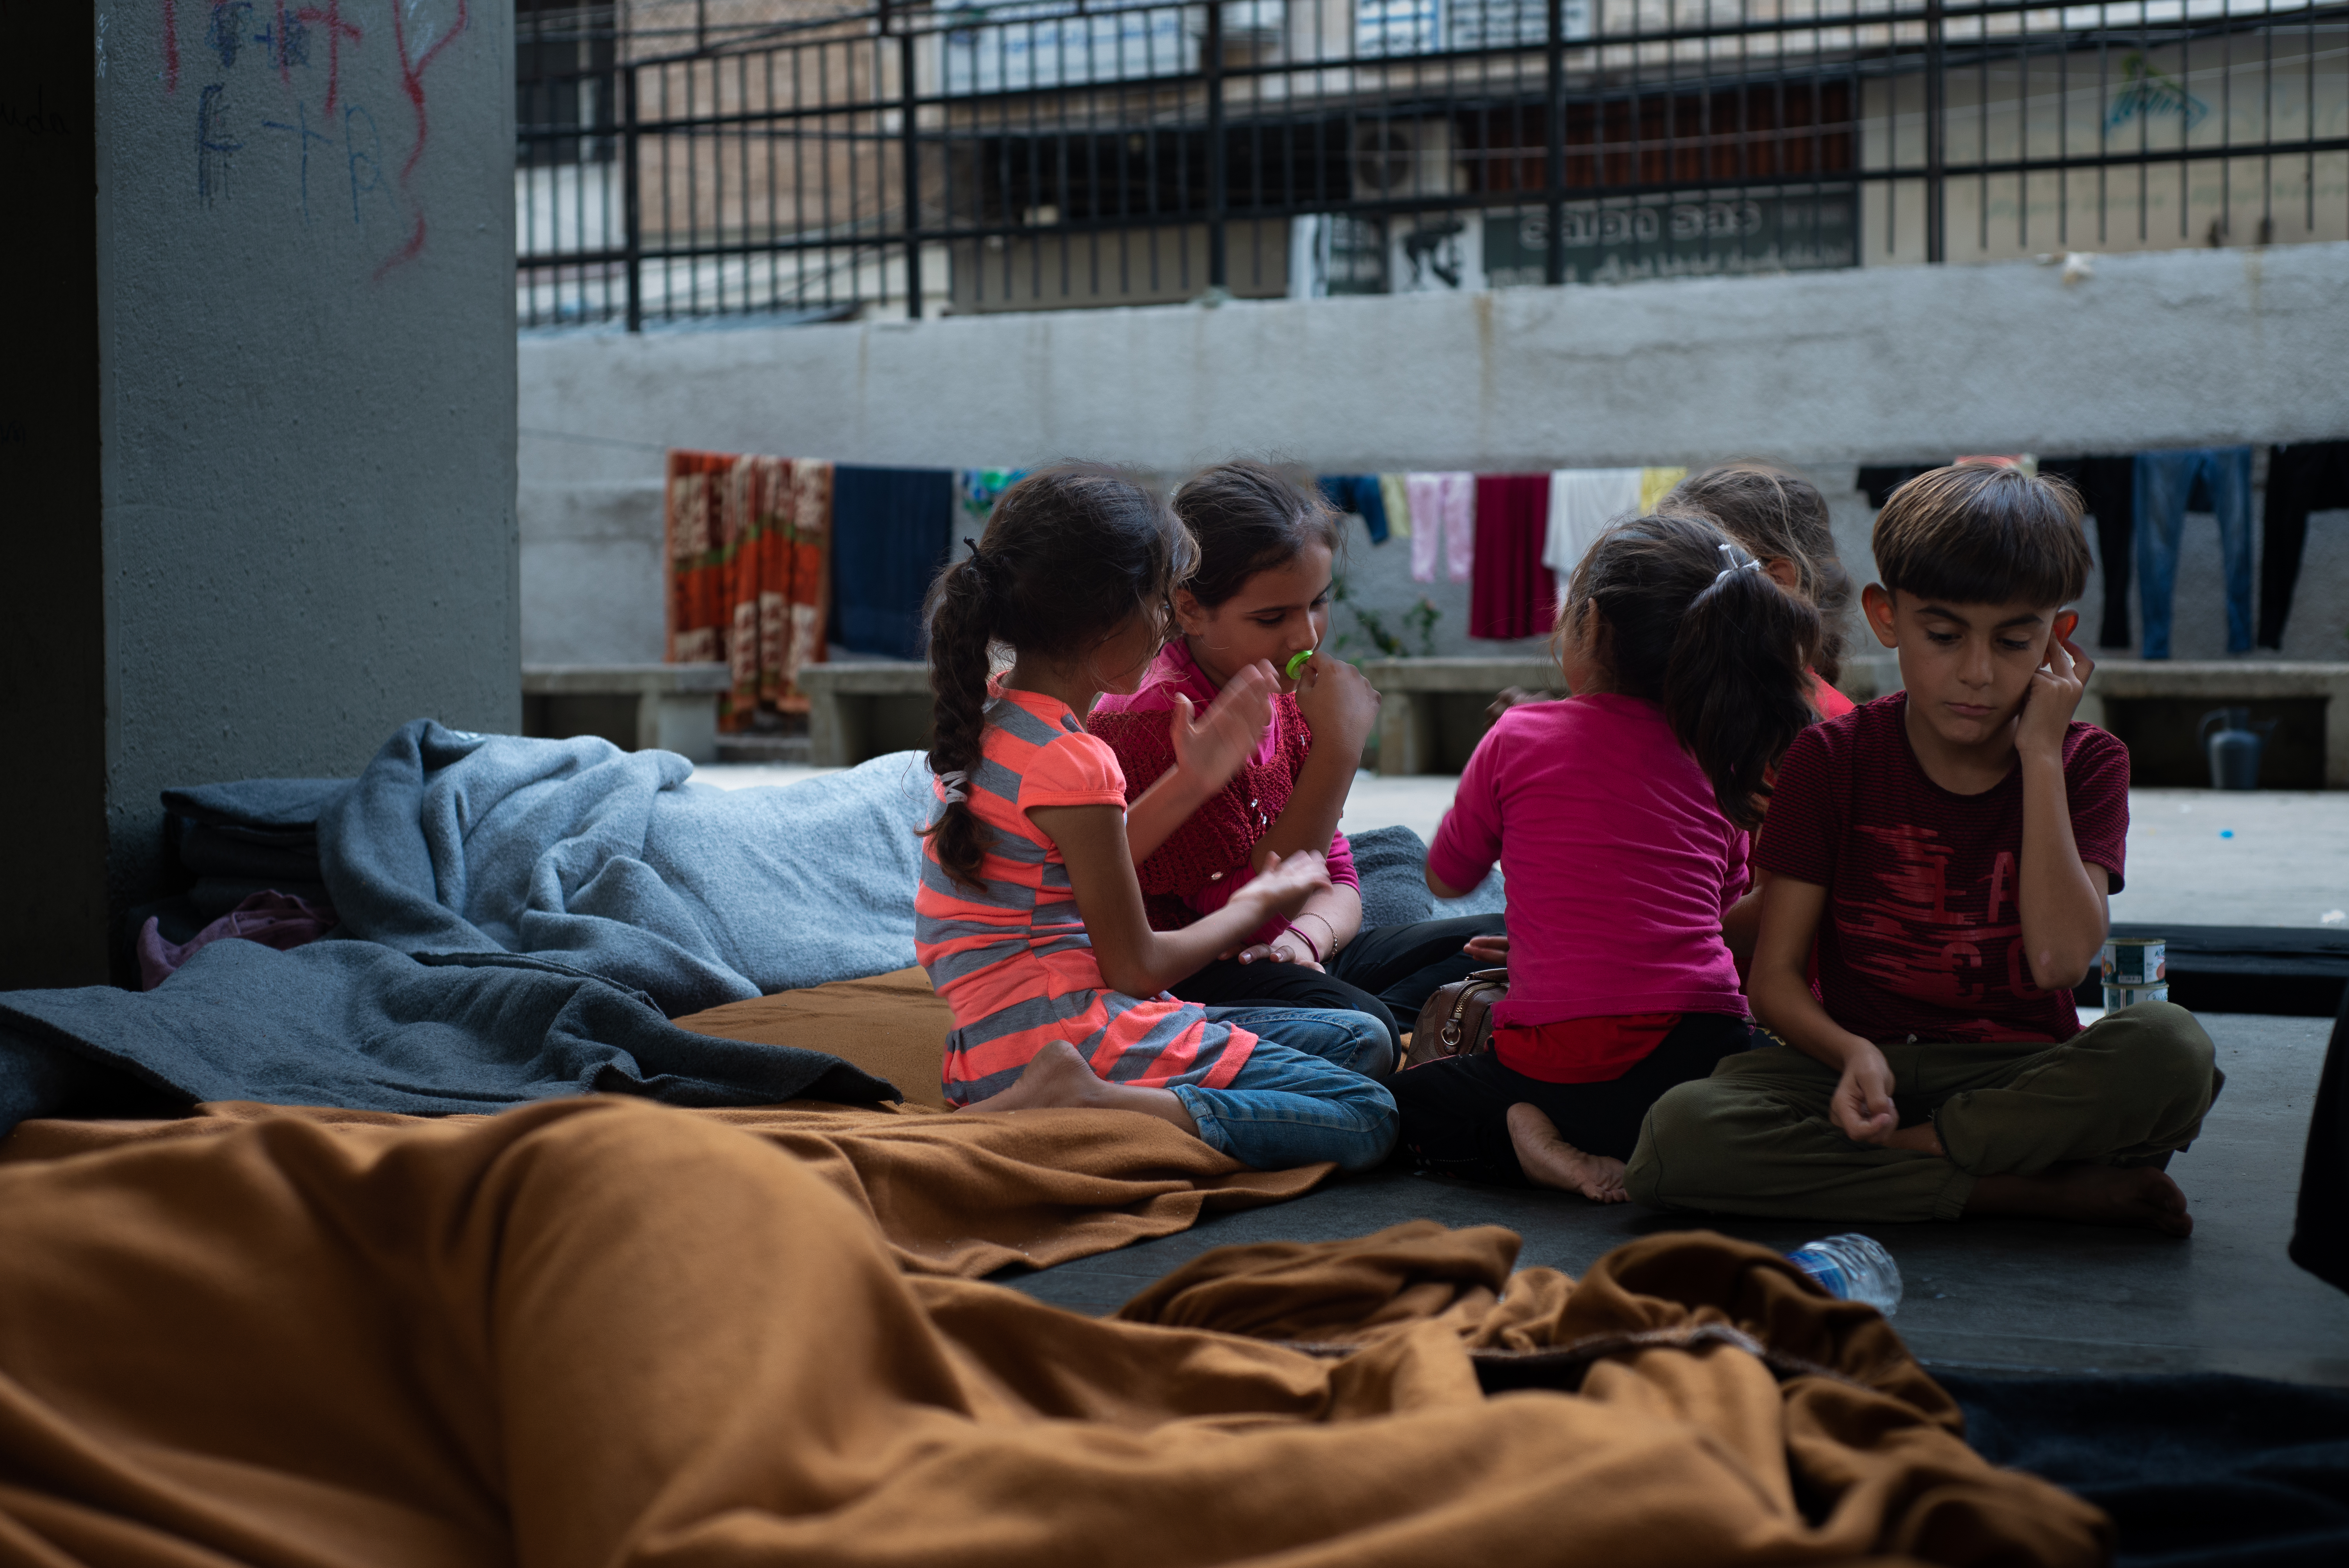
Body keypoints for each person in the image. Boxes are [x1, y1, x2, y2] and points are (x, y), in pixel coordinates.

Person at [1627, 465, 2221, 1233]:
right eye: (1942, 636)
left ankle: (1905, 1164)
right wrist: (1848, 1054)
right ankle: (2025, 1190)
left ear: (2056, 640)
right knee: (1678, 1135)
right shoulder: (1830, 760)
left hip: (2017, 1074)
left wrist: (2039, 755)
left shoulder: (2084, 761)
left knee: (2169, 1049)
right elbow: (1773, 978)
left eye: (2013, 640)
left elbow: (2059, 963)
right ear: (1885, 616)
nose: (1975, 673)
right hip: (1855, 1068)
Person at [916, 464, 1398, 1172]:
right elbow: (1137, 967)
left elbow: (1079, 867)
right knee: (1370, 1113)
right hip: (1066, 1038)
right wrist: (1254, 906)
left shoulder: (997, 718)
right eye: (1158, 604)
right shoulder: (1076, 758)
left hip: (995, 1044)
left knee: (1363, 1039)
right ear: (1109, 622)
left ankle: (1081, 1089)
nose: (1167, 624)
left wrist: (1193, 780)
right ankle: (1095, 1103)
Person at [1388, 512, 1823, 1200]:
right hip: (1699, 1052)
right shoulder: (1724, 756)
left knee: (1406, 1104)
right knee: (1784, 1099)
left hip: (1552, 1068)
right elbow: (1720, 919)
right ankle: (1672, 1152)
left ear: (1589, 623)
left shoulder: (1519, 733)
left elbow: (1447, 875)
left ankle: (1525, 1142)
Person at [1086, 460, 1507, 1060]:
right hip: (1192, 964)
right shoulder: (1155, 720)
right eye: (1272, 617)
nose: (1306, 637)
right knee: (1370, 1027)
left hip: (1286, 946)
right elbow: (1259, 907)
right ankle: (1363, 1030)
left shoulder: (1278, 689)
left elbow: (1336, 873)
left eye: (1317, 603)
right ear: (1190, 609)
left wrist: (1308, 942)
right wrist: (1340, 748)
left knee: (1500, 937)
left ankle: (1349, 1019)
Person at [1657, 461, 1858, 718]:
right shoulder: (1683, 704)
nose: (1659, 591)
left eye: (1686, 573)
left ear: (1776, 581)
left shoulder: (1822, 736)